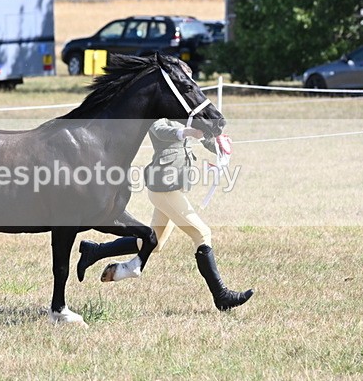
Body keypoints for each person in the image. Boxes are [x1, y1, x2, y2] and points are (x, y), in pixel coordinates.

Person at [76, 118, 253, 311]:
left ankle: (95, 251)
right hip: (163, 188)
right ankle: (222, 296)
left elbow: (201, 136)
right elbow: (159, 131)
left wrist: (219, 144)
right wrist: (187, 132)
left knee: (156, 243)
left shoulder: (183, 114)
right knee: (202, 234)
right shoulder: (159, 114)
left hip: (172, 186)